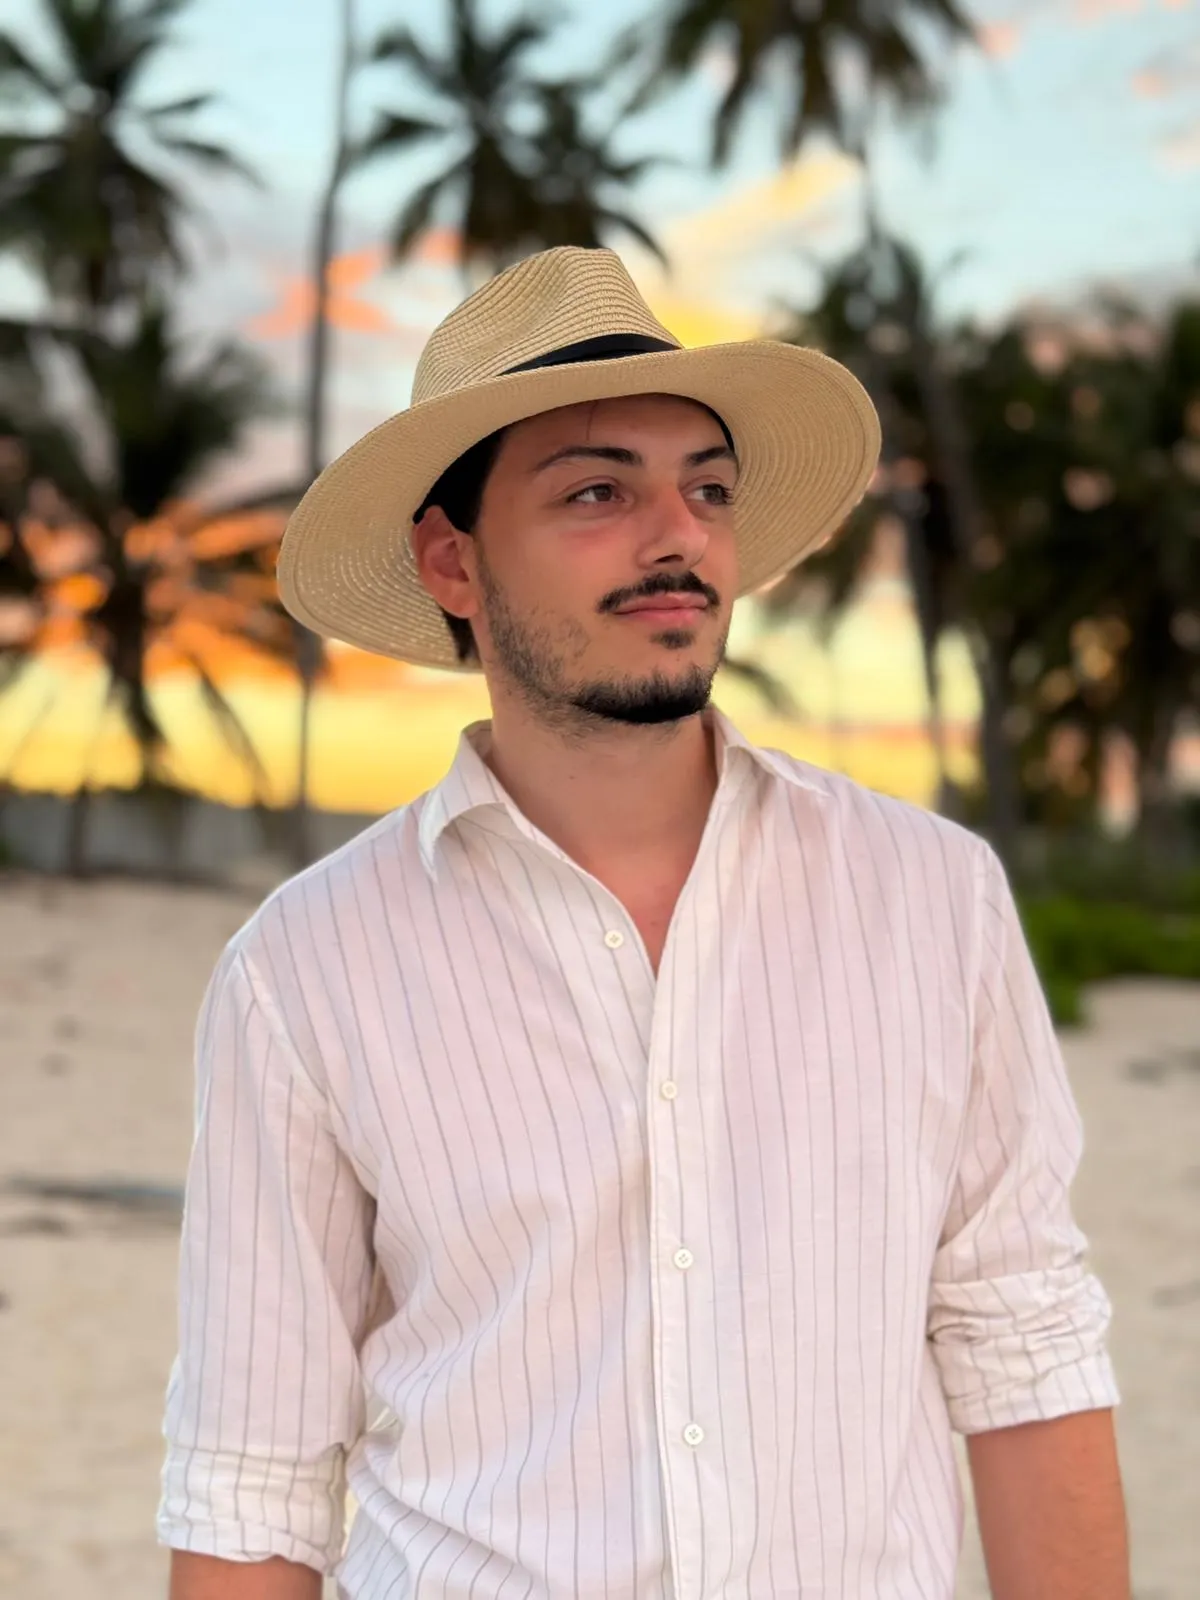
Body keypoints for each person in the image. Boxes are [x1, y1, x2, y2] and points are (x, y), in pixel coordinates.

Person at [158, 246, 1129, 1600]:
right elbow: (253, 1474)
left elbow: (1021, 1348)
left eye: (707, 490)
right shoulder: (304, 969)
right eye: (597, 491)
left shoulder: (933, 900)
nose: (677, 537)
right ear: (452, 561)